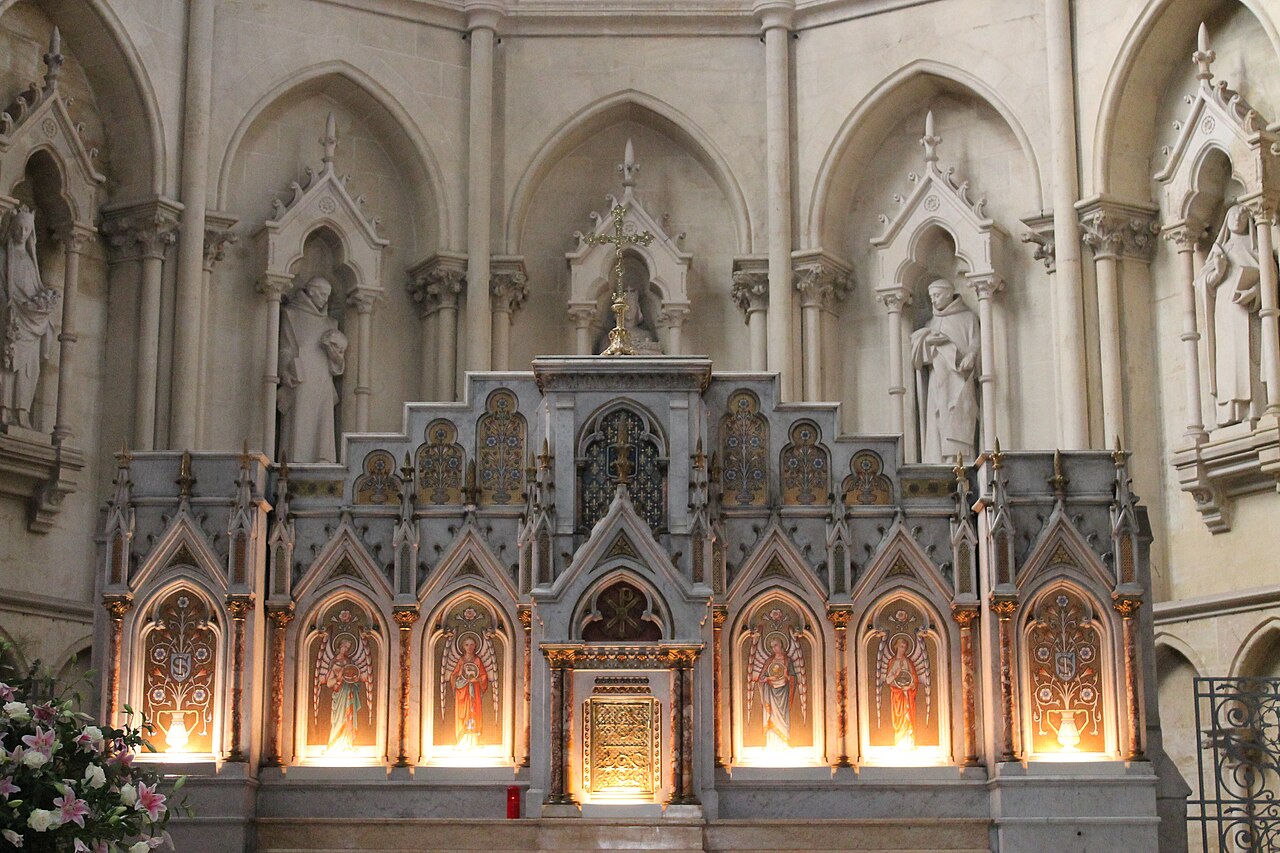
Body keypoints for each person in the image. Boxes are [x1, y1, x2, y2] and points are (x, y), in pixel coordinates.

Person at [1197, 204, 1268, 427]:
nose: (1238, 217)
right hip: (1225, 317)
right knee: (1229, 364)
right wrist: (1218, 271)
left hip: (1250, 315)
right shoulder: (1220, 250)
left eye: (1243, 213)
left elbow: (1270, 280)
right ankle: (1231, 413)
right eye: (1234, 214)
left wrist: (1254, 292)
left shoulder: (1258, 248)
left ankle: (1256, 409)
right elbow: (1202, 284)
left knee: (1250, 361)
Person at [0, 205, 59, 429]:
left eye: (27, 229)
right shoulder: (3, 256)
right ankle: (4, 411)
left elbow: (35, 288)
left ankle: (22, 412)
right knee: (8, 364)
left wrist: (45, 298)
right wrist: (10, 308)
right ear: (12, 228)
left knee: (29, 369)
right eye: (19, 228)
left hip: (31, 324)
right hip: (11, 321)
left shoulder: (30, 261)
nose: (22, 233)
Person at [278, 276, 348, 462]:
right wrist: (284, 370)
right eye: (322, 294)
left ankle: (323, 460)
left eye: (328, 295)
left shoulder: (331, 323)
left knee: (323, 424)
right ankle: (294, 461)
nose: (325, 299)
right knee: (299, 423)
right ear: (311, 292)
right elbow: (285, 348)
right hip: (301, 377)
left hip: (323, 380)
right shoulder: (291, 314)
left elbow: (337, 365)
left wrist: (335, 352)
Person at [910, 278, 980, 463]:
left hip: (958, 378)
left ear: (949, 293)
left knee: (957, 415)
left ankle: (960, 463)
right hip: (937, 380)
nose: (933, 300)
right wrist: (928, 343)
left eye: (937, 295)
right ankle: (938, 462)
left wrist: (970, 356)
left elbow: (975, 343)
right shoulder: (930, 323)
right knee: (938, 417)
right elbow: (919, 360)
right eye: (931, 296)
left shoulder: (967, 318)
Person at [450, 635, 490, 749]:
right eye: (467, 645)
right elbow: (454, 676)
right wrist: (462, 679)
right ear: (463, 646)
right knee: (464, 713)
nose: (469, 647)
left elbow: (483, 676)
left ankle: (474, 741)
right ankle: (462, 741)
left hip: (474, 692)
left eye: (472, 644)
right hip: (463, 692)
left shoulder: (477, 660)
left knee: (473, 712)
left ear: (475, 646)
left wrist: (476, 680)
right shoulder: (461, 661)